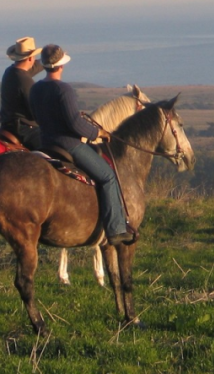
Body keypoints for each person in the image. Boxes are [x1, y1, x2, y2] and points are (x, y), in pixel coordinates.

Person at [29, 44, 136, 246]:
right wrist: (99, 132)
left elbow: (37, 116)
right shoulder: (64, 89)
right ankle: (116, 229)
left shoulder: (35, 89)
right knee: (108, 177)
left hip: (45, 144)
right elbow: (75, 124)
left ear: (44, 66)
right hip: (68, 145)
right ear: (61, 66)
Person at [0, 36, 43, 150]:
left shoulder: (11, 71)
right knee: (53, 147)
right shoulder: (25, 80)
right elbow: (35, 113)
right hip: (24, 129)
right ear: (30, 59)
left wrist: (49, 60)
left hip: (8, 124)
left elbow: (33, 68)